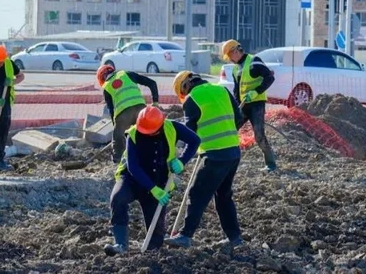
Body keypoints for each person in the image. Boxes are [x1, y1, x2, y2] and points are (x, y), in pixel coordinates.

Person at [104, 105, 201, 256]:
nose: (148, 135)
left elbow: (195, 141)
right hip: (132, 179)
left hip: (159, 181)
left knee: (156, 236)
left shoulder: (172, 127)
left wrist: (182, 160)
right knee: (118, 198)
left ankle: (151, 252)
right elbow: (133, 167)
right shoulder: (134, 134)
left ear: (161, 124)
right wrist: (152, 189)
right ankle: (120, 244)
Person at [165, 71, 245, 249]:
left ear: (185, 86)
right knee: (223, 196)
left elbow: (190, 135)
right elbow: (239, 118)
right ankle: (235, 238)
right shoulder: (222, 90)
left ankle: (185, 236)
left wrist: (181, 159)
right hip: (233, 151)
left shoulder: (192, 100)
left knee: (197, 194)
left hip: (214, 155)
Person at [222, 39, 277, 172]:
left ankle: (270, 163)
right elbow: (237, 90)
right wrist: (235, 107)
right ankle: (227, 159)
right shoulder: (236, 68)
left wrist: (255, 92)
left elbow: (270, 78)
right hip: (243, 104)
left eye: (229, 55)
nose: (229, 59)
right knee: (231, 129)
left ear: (236, 51)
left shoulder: (254, 61)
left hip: (256, 104)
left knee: (258, 134)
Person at [96, 64, 160, 163]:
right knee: (146, 133)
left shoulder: (107, 86)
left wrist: (117, 128)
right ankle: (154, 154)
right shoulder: (127, 74)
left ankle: (118, 160)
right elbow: (152, 83)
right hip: (141, 110)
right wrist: (155, 102)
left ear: (102, 77)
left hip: (123, 114)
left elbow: (111, 109)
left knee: (118, 138)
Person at [0, 44, 25, 172]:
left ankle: (0, 160)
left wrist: (12, 82)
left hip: (5, 103)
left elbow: (21, 76)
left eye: (0, 62)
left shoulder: (9, 64)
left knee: (3, 132)